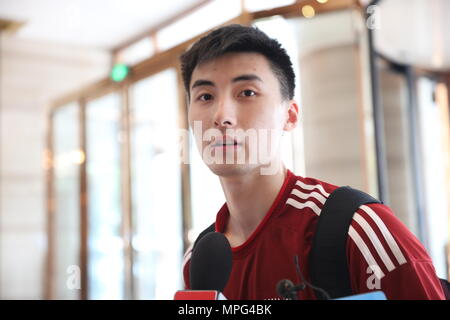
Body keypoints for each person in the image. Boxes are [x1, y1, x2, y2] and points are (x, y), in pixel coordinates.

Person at [179, 24, 445, 300]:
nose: (222, 116)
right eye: (205, 96)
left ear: (290, 116)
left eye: (247, 93)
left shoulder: (357, 231)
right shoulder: (198, 261)